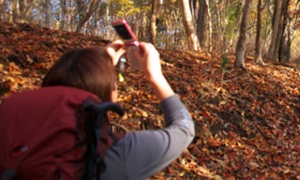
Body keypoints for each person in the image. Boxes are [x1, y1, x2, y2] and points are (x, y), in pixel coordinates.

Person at [0, 40, 195, 178]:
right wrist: (155, 75)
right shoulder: (118, 154)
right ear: (109, 98)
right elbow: (184, 129)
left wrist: (100, 66)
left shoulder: (9, 135)